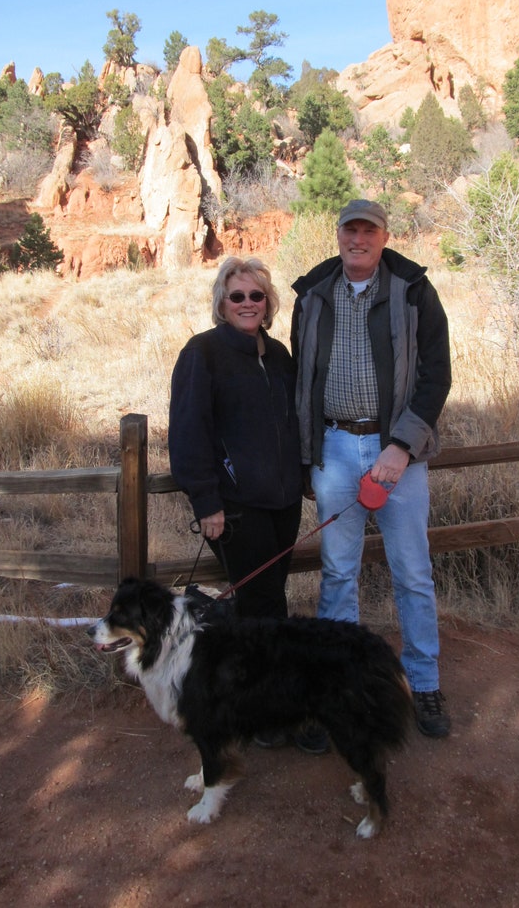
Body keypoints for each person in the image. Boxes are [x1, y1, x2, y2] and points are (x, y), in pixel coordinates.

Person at [291, 199, 453, 738]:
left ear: (385, 236)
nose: (358, 239)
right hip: (336, 448)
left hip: (395, 456)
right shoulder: (313, 294)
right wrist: (306, 453)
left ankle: (424, 685)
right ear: (337, 234)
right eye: (350, 230)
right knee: (339, 572)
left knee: (412, 573)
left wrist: (401, 447)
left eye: (369, 231)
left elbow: (436, 377)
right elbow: (301, 380)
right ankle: (340, 688)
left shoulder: (413, 292)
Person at [169, 257, 326, 752]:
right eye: (236, 296)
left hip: (282, 501)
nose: (247, 304)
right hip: (236, 505)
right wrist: (207, 501)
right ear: (221, 301)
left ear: (268, 302)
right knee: (261, 605)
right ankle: (267, 715)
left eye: (256, 296)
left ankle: (256, 698)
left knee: (270, 600)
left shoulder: (278, 354)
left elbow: (296, 421)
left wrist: (303, 477)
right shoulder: (203, 353)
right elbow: (189, 432)